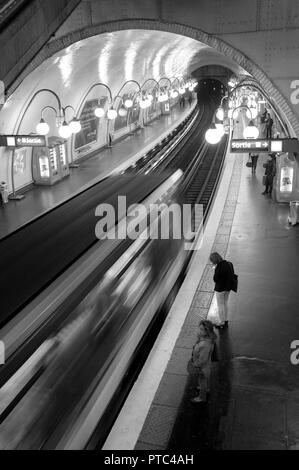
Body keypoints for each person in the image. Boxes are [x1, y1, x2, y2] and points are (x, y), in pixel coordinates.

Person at [190, 320, 217, 404]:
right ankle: (207, 388)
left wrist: (195, 364)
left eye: (202, 329)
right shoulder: (207, 339)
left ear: (207, 331)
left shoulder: (205, 345)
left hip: (202, 367)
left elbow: (203, 359)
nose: (199, 331)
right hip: (206, 366)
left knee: (202, 381)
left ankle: (202, 397)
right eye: (199, 328)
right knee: (204, 379)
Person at [210, 252, 235, 328]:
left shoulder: (218, 267)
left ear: (214, 260)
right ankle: (226, 319)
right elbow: (232, 273)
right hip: (228, 288)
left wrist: (215, 270)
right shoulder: (228, 263)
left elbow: (215, 279)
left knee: (220, 305)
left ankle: (222, 322)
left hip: (220, 289)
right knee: (225, 303)